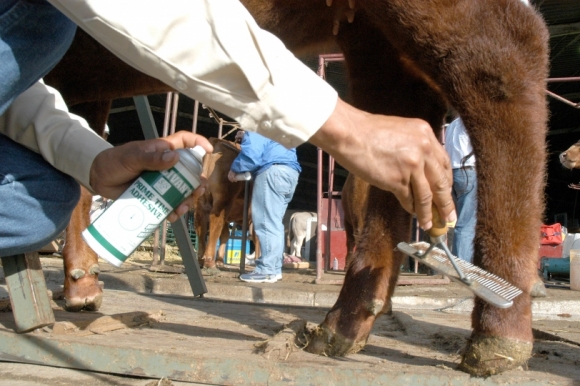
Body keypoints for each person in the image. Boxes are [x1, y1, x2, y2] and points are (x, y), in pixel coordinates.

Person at [0, 0, 455, 258]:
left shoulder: (254, 135)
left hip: (271, 172)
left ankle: (265, 264)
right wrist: (343, 126)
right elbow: (144, 9)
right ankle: (264, 263)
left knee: (42, 198)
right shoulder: (258, 133)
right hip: (277, 170)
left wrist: (92, 158)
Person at [228, 130, 300, 283]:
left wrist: (235, 169)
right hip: (290, 174)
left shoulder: (258, 123)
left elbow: (252, 153)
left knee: (265, 222)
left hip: (271, 172)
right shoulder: (280, 126)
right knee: (274, 223)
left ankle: (266, 270)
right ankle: (274, 270)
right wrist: (246, 136)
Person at [444, 117, 477, 263]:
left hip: (452, 173)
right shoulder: (470, 121)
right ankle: (462, 267)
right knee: (466, 224)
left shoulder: (452, 125)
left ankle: (457, 263)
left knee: (459, 222)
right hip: (468, 171)